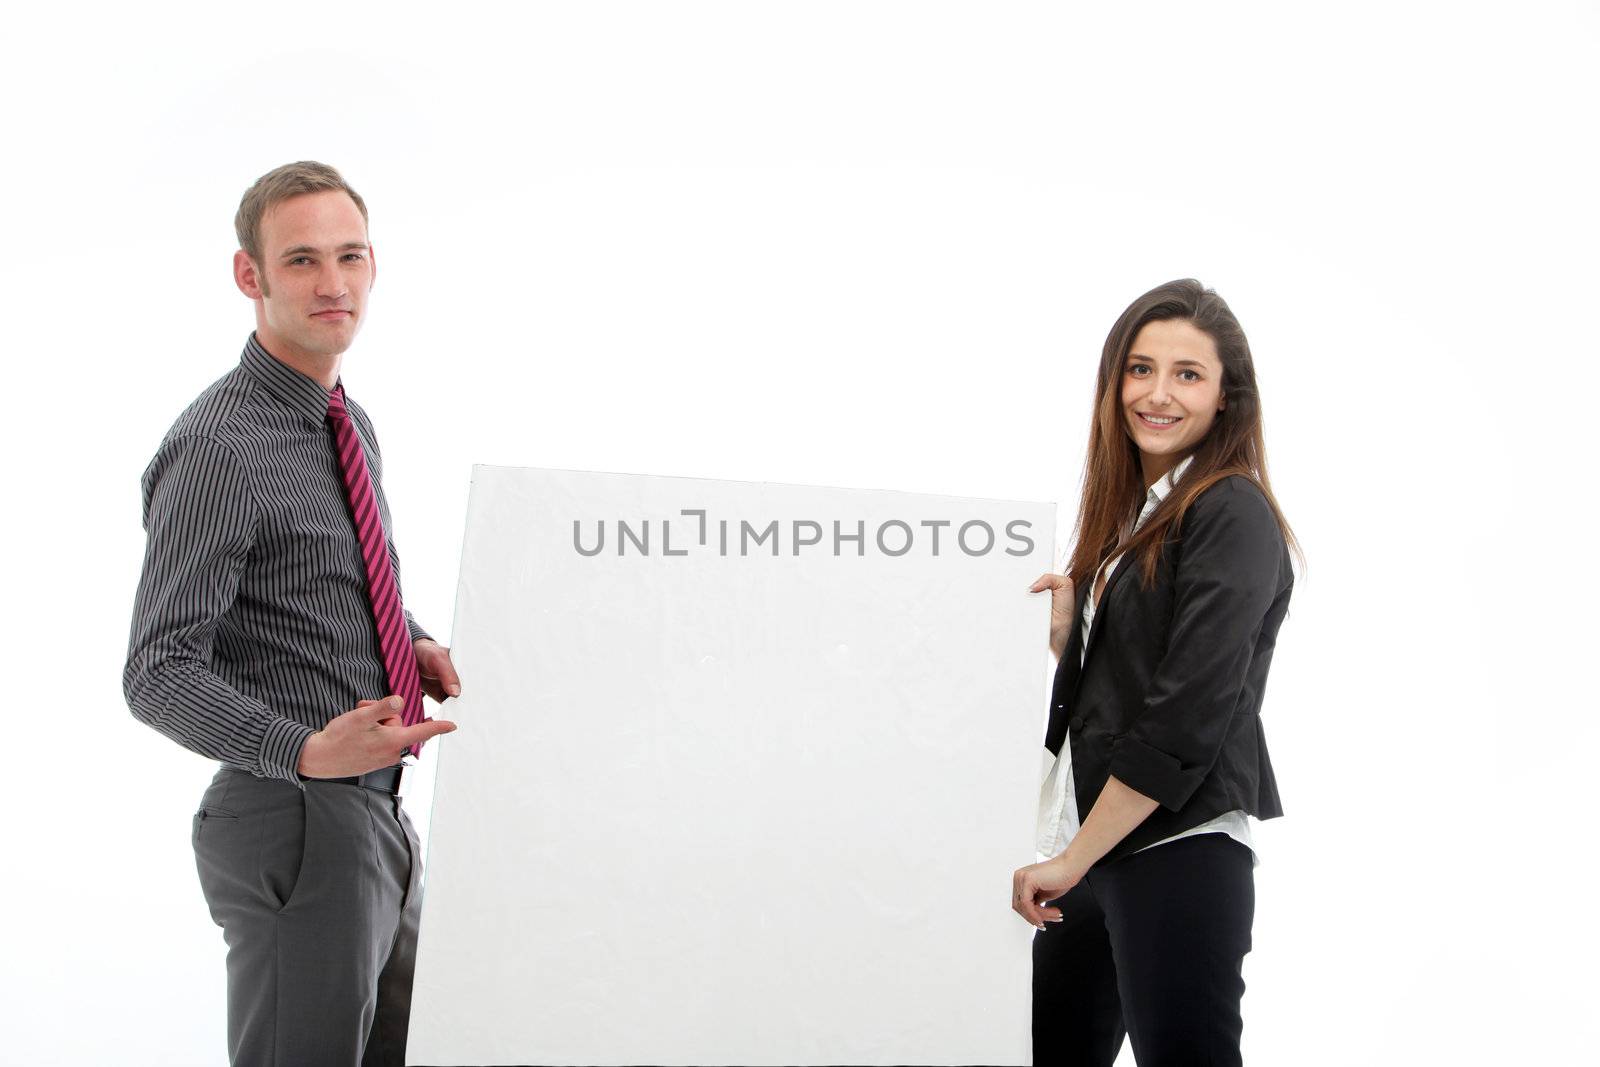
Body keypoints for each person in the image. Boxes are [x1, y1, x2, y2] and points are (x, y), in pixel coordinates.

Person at [123, 161, 460, 1066]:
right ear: (252, 277)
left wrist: (412, 642)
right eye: (302, 260)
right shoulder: (221, 444)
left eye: (349, 256)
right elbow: (156, 670)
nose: (332, 283)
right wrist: (308, 751)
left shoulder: (347, 424)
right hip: (296, 815)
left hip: (380, 816)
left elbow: (322, 583)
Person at [1013, 278, 1299, 1066]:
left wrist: (1070, 860)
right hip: (1096, 848)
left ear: (1224, 396)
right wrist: (1071, 637)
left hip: (1175, 847)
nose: (1157, 393)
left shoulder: (1231, 510)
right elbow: (1133, 679)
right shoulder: (1136, 517)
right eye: (1140, 369)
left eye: (1187, 374)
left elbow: (1185, 712)